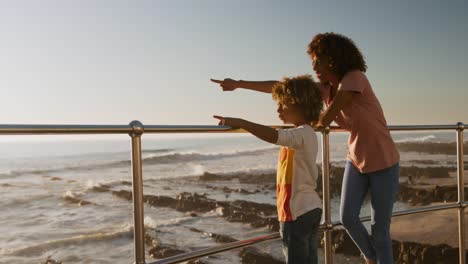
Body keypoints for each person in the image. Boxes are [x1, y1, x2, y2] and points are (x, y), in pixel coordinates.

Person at [211, 32, 400, 264]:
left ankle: (378, 258)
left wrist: (304, 125)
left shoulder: (354, 78)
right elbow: (283, 87)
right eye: (313, 61)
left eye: (318, 60)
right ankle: (372, 258)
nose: (314, 66)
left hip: (383, 161)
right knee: (347, 218)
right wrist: (238, 85)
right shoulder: (326, 88)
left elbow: (326, 118)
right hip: (357, 160)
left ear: (334, 58)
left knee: (380, 232)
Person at [213, 75, 323, 264]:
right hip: (310, 208)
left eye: (283, 104)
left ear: (299, 104)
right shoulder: (306, 133)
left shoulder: (300, 134)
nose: (278, 109)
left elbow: (273, 135)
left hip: (296, 211)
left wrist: (243, 123)